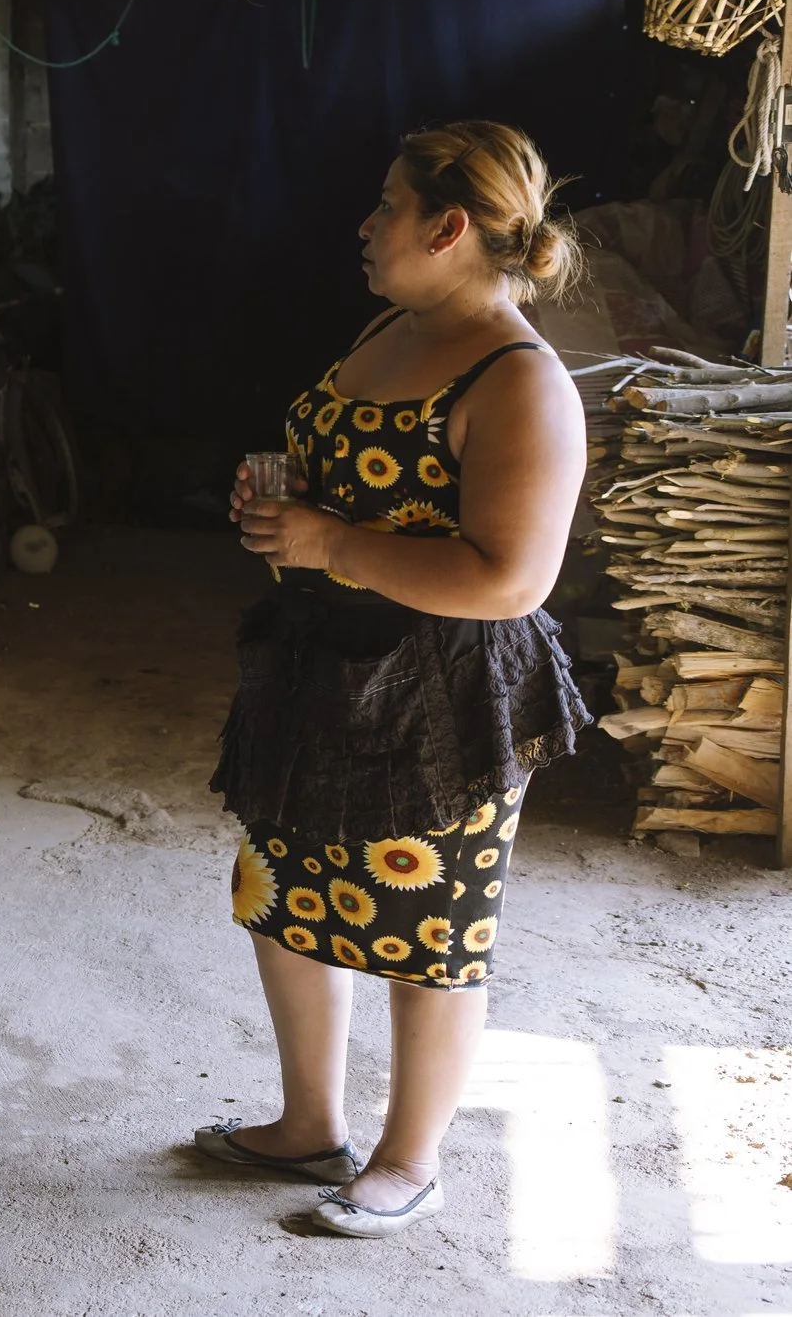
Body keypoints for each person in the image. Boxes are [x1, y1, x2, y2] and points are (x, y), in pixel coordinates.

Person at [207, 121, 590, 1239]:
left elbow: (510, 580)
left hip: (443, 692)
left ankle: (408, 1158)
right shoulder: (396, 324)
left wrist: (328, 542)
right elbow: (344, 485)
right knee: (280, 895)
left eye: (385, 205)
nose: (366, 225)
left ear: (449, 225)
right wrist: (281, 514)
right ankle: (306, 1122)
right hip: (314, 666)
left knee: (427, 925)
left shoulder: (517, 378)